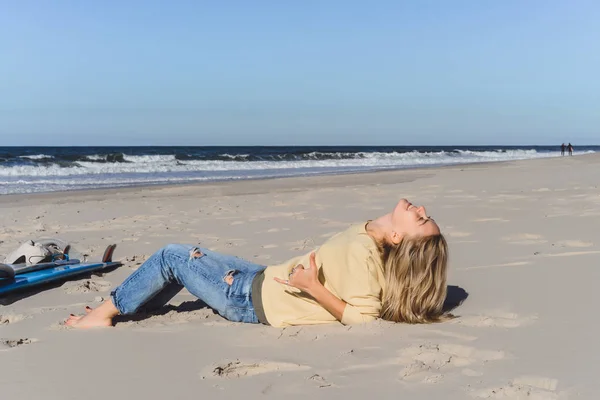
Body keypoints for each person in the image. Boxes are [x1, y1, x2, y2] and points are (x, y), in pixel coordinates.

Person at [66, 198, 450, 329]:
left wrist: (312, 286)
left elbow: (363, 318)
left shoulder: (367, 254)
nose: (420, 208)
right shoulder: (373, 237)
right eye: (423, 213)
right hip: (260, 276)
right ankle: (127, 305)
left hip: (248, 299)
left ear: (399, 237)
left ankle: (103, 313)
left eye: (419, 218)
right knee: (189, 257)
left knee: (171, 256)